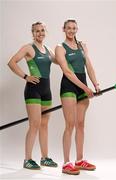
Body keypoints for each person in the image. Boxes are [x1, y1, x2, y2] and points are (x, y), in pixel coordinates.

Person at [8, 22, 58, 170]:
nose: (40, 33)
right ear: (33, 33)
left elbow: (60, 61)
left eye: (42, 30)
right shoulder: (28, 48)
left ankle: (45, 158)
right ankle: (27, 159)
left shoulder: (48, 49)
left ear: (45, 32)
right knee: (34, 124)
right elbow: (11, 62)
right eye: (37, 31)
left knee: (44, 125)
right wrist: (25, 76)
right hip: (33, 90)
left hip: (46, 90)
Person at [55, 19, 100, 175]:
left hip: (84, 86)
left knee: (80, 124)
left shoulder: (82, 45)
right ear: (64, 29)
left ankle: (79, 160)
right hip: (69, 87)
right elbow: (67, 71)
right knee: (70, 124)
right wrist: (86, 88)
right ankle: (66, 163)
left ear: (77, 29)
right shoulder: (60, 48)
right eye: (68, 28)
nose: (71, 30)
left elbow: (89, 66)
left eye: (74, 28)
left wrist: (96, 85)